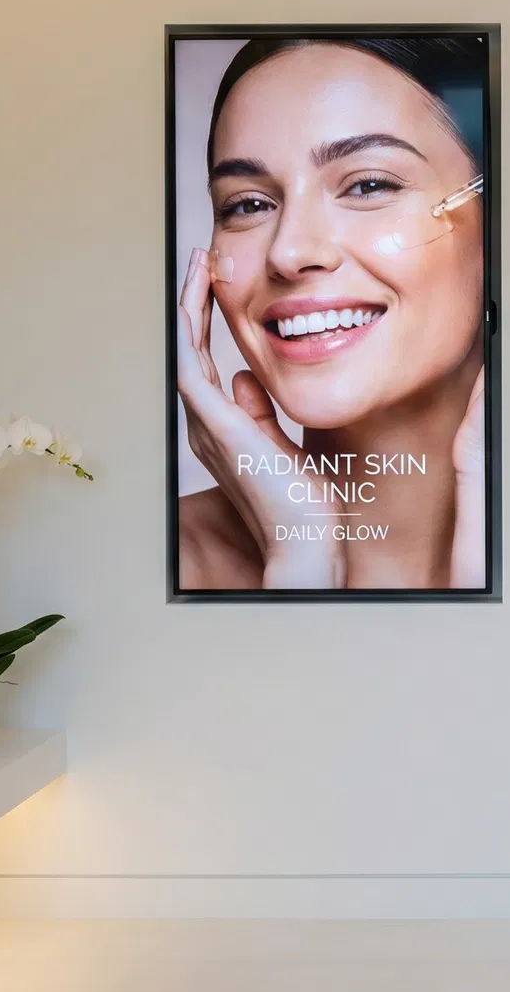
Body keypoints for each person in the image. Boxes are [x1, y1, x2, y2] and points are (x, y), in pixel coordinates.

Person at [176, 36, 487, 591]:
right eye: (247, 204)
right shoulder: (164, 563)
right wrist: (301, 560)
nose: (288, 252)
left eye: (369, 185)